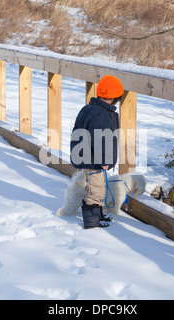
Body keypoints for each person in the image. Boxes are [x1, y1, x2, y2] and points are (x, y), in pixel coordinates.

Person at [70, 75, 124, 229]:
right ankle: (92, 221)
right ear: (115, 98)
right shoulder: (102, 114)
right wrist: (104, 161)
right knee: (98, 189)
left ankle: (97, 214)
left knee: (92, 186)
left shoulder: (90, 108)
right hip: (95, 160)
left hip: (86, 157)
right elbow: (100, 140)